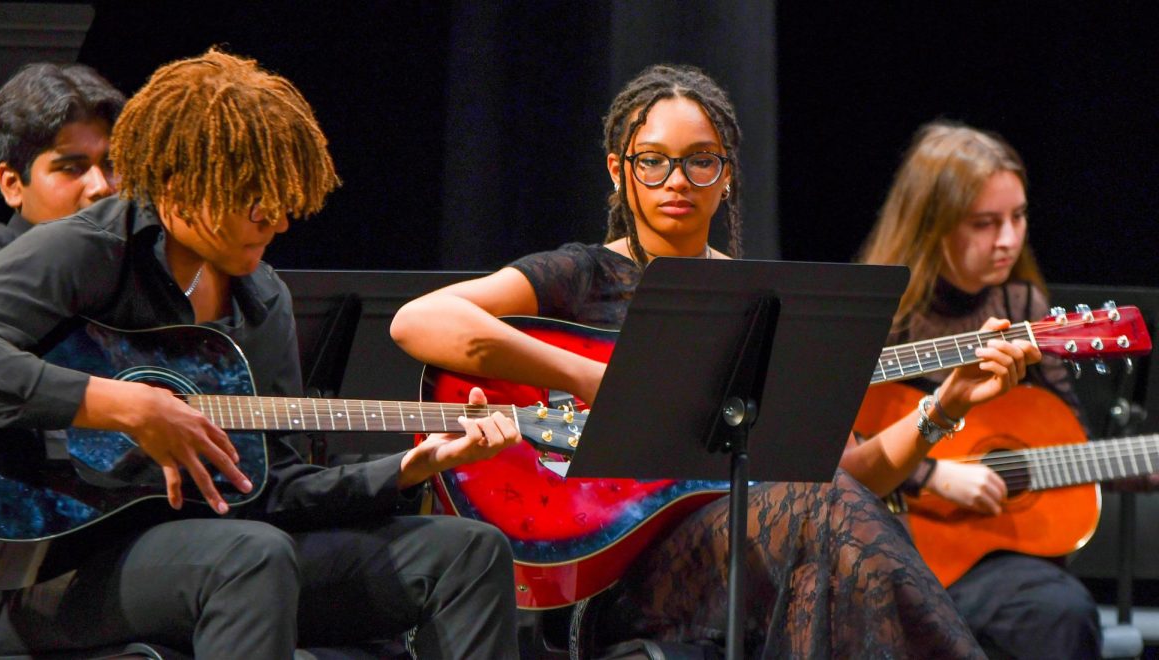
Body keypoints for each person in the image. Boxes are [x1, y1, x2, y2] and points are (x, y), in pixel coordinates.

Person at [391, 64, 1039, 657]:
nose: (677, 181)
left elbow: (855, 471)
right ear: (619, 170)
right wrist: (591, 376)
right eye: (654, 162)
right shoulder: (582, 275)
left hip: (761, 553)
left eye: (700, 162)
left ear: (726, 173)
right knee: (828, 523)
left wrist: (945, 403)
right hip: (627, 571)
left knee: (825, 558)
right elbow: (419, 321)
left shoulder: (761, 301)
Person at [0, 49, 520, 658]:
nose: (274, 219)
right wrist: (124, 405)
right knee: (252, 556)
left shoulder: (260, 297)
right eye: (251, 198)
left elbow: (267, 486)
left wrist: (408, 468)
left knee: (467, 552)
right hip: (45, 568)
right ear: (181, 183)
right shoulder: (91, 248)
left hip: (218, 554)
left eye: (281, 198)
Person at [858, 121, 1106, 658]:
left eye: (1018, 217)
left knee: (1061, 611)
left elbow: (1073, 438)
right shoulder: (876, 314)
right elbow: (833, 447)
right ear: (932, 225)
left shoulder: (1021, 307)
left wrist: (1138, 462)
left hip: (990, 557)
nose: (1009, 240)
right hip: (889, 540)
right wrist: (934, 475)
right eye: (985, 223)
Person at [0, 62, 124, 275]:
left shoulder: (139, 266)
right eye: (72, 168)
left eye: (110, 164)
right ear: (12, 185)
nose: (100, 186)